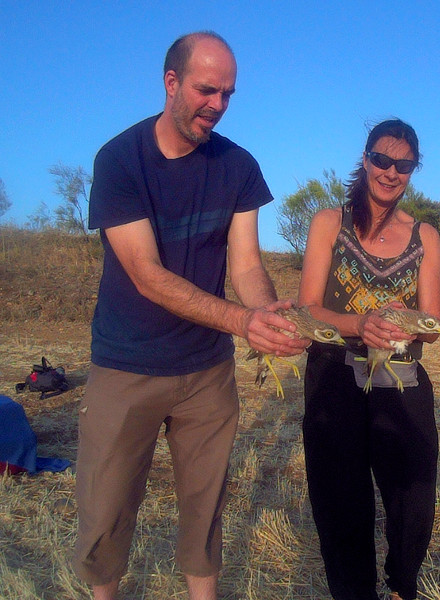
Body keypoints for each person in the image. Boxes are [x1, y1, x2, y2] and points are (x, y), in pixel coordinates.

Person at [72, 31, 308, 600]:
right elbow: (146, 274)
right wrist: (241, 323)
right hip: (127, 364)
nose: (218, 105)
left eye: (228, 94)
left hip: (206, 371)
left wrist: (267, 315)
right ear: (171, 82)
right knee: (104, 510)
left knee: (205, 509)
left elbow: (247, 265)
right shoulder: (119, 160)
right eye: (207, 90)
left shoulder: (238, 165)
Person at [297, 119, 440, 600]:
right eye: (381, 159)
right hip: (334, 377)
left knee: (415, 500)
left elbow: (436, 324)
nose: (390, 171)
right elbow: (307, 311)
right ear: (365, 159)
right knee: (341, 501)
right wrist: (361, 323)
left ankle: (402, 584)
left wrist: (409, 320)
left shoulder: (425, 236)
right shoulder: (328, 224)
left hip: (400, 378)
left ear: (412, 170)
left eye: (402, 164)